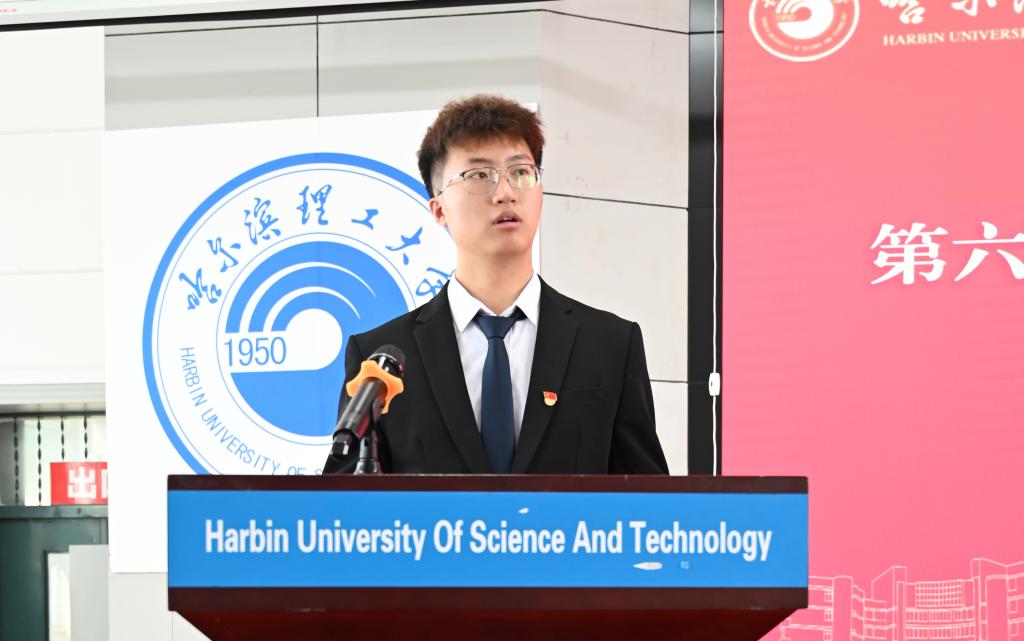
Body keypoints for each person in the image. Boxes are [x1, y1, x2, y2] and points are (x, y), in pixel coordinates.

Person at [323, 94, 668, 474]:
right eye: (479, 176)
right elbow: (344, 502)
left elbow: (647, 498)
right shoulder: (381, 359)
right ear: (439, 209)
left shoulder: (609, 345)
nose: (506, 192)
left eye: (521, 172)